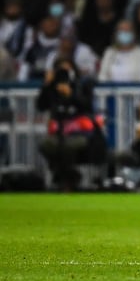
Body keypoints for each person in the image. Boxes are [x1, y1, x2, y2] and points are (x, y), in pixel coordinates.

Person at [37, 58, 106, 190]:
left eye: (67, 70)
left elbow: (87, 106)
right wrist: (46, 86)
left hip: (81, 132)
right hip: (59, 132)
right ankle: (65, 176)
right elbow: (41, 106)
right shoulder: (52, 88)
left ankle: (67, 179)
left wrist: (71, 94)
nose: (64, 73)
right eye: (60, 70)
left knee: (68, 145)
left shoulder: (82, 85)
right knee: (47, 144)